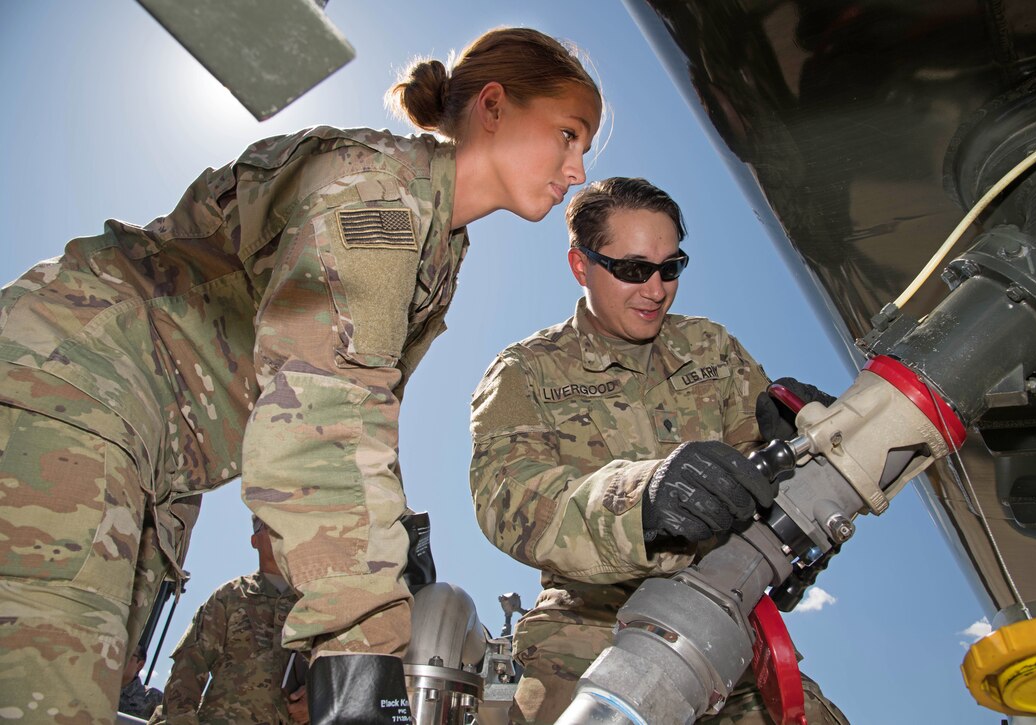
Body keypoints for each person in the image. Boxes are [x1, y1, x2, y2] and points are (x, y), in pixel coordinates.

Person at [0, 26, 601, 724]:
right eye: (568, 133)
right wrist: (366, 648)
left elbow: (360, 408)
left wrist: (399, 553)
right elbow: (322, 419)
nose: (577, 170)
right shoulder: (377, 191)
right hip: (78, 395)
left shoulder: (436, 242)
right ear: (494, 105)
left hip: (146, 451)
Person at [469, 177, 848, 723]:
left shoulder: (710, 348)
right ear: (581, 266)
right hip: (589, 633)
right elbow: (507, 499)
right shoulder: (526, 372)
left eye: (671, 268)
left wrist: (800, 443)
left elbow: (766, 475)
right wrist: (641, 503)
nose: (656, 289)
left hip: (723, 622)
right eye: (632, 269)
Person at [150, 516, 307, 724]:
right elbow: (188, 667)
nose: (281, 533)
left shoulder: (311, 606)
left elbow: (336, 672)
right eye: (271, 525)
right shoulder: (230, 596)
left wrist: (315, 702)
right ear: (254, 541)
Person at [117, 645, 164, 720]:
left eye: (126, 654)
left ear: (140, 665)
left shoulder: (154, 698)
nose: (118, 657)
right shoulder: (96, 688)